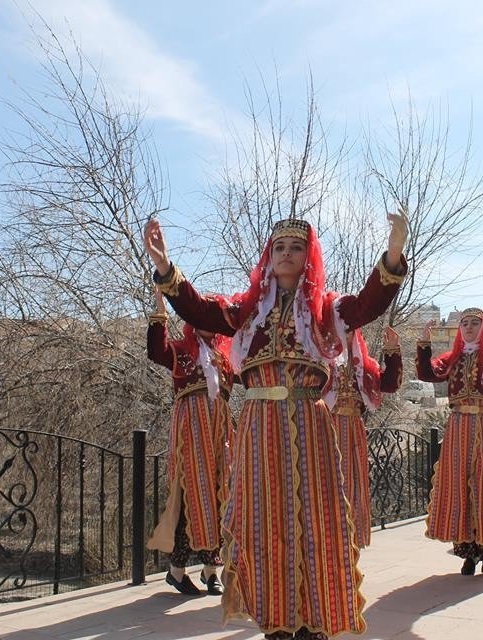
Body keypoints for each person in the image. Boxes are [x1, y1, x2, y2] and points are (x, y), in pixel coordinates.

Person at [144, 211, 408, 639]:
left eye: (296, 247)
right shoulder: (248, 310)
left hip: (310, 423)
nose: (286, 254)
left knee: (315, 521)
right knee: (263, 521)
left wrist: (393, 257)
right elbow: (198, 310)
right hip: (258, 425)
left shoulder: (325, 309)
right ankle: (277, 619)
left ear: (309, 257)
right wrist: (165, 268)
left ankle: (315, 617)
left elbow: (367, 305)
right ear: (269, 256)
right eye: (279, 247)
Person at [416, 309, 483, 575]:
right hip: (459, 424)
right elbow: (428, 373)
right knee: (459, 484)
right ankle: (468, 553)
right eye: (465, 323)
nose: (469, 327)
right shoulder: (454, 359)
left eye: (475, 323)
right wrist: (424, 342)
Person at [145, 290, 234, 596]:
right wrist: (159, 314)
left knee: (219, 494)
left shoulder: (225, 359)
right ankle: (197, 570)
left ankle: (196, 570)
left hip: (218, 433)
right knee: (193, 495)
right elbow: (156, 351)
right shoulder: (182, 351)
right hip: (191, 432)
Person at [323, 326, 403, 548]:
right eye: (340, 328)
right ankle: (329, 537)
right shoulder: (324, 361)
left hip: (353, 429)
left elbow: (389, 384)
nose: (344, 333)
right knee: (328, 481)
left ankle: (351, 539)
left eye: (349, 329)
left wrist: (392, 350)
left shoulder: (365, 366)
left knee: (353, 481)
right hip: (325, 427)